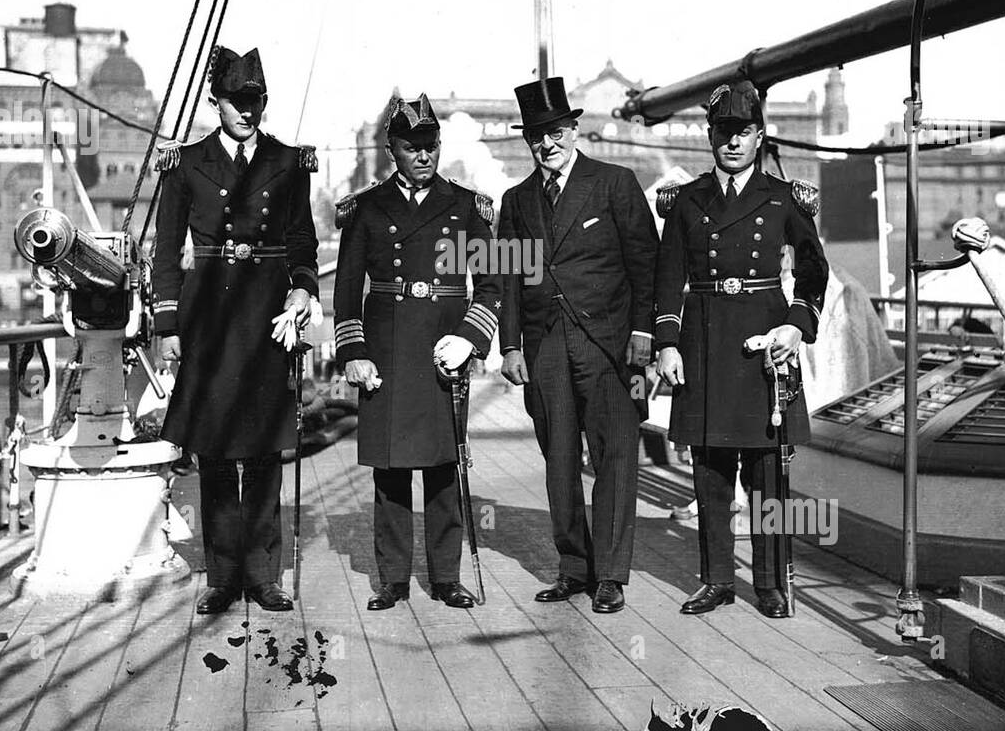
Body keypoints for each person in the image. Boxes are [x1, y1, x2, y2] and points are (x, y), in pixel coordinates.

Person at [152, 45, 319, 615]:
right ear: (215, 101)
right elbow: (166, 250)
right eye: (237, 102)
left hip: (270, 318)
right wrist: (168, 321)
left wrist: (302, 289)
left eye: (257, 102)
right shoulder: (185, 164)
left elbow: (302, 242)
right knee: (216, 451)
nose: (248, 112)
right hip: (210, 319)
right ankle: (222, 577)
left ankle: (263, 574)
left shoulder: (288, 162)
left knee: (268, 448)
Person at [654, 80, 828, 619]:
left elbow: (813, 270)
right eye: (723, 133)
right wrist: (666, 342)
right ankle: (716, 580)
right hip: (703, 341)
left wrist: (798, 324)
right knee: (709, 469)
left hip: (764, 343)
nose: (732, 143)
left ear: (759, 137)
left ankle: (771, 583)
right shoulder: (687, 200)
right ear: (710, 136)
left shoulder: (782, 198)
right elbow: (667, 278)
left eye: (743, 133)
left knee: (767, 471)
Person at [332, 92, 502, 610]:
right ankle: (394, 580)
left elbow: (492, 284)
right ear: (392, 150)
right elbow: (345, 293)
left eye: (430, 145)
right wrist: (353, 353)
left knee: (444, 462)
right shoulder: (365, 210)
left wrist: (471, 338)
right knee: (390, 469)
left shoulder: (466, 206)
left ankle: (446, 577)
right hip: (385, 350)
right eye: (411, 147)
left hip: (441, 348)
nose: (423, 156)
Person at [497, 76, 659, 614]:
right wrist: (510, 346)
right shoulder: (516, 201)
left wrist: (643, 335)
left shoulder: (614, 183)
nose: (548, 144)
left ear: (574, 129)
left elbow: (646, 266)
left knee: (614, 454)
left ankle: (610, 574)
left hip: (607, 344)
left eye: (557, 132)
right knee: (558, 458)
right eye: (537, 136)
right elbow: (505, 279)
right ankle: (573, 567)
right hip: (544, 346)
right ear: (529, 141)